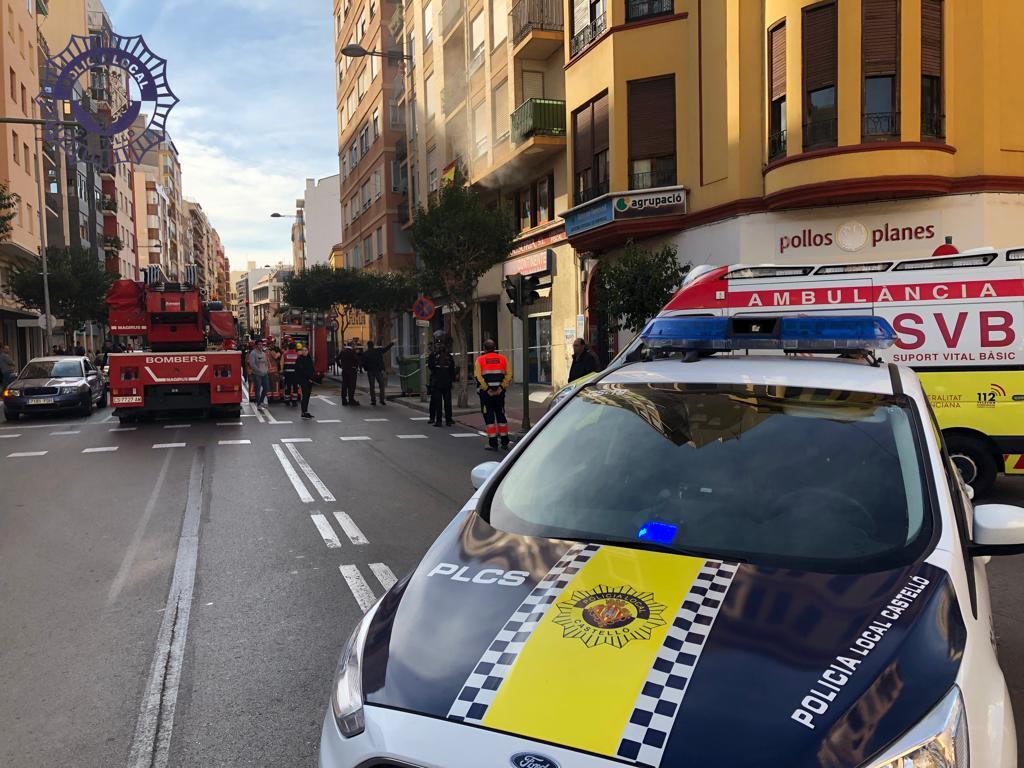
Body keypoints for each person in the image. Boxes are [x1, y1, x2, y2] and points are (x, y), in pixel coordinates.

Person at [474, 339, 512, 451]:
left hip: (486, 395)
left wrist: (487, 389)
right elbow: (509, 375)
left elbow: (478, 377)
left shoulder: (480, 360)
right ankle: (505, 442)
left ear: (484, 349)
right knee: (501, 415)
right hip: (500, 394)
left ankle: (493, 443)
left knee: (489, 418)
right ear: (495, 348)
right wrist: (501, 388)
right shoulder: (503, 359)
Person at [427, 339, 457, 426]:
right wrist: (452, 380)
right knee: (447, 401)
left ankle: (438, 421)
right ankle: (448, 420)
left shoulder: (433, 355)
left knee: (437, 402)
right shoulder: (449, 356)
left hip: (436, 382)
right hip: (447, 382)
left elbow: (431, 367)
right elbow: (452, 369)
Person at [361, 339, 395, 406]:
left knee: (372, 386)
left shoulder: (365, 353)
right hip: (378, 371)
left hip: (370, 371)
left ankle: (373, 401)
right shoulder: (378, 351)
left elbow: (363, 363)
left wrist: (366, 368)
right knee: (381, 385)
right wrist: (392, 343)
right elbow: (386, 349)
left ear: (368, 346)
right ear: (373, 345)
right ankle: (382, 400)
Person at [248, 340, 270, 410]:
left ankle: (261, 401)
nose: (260, 346)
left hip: (264, 374)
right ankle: (258, 404)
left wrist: (266, 369)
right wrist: (258, 370)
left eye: (261, 344)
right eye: (259, 344)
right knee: (257, 389)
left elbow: (266, 362)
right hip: (257, 374)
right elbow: (252, 364)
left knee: (266, 388)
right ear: (256, 345)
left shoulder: (263, 353)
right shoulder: (253, 353)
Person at [295, 344, 316, 419]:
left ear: (308, 351)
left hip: (310, 380)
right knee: (305, 395)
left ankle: (305, 411)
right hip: (303, 380)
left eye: (305, 350)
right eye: (303, 350)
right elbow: (301, 370)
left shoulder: (309, 358)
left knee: (307, 396)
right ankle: (303, 412)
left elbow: (312, 369)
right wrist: (308, 378)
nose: (304, 352)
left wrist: (312, 378)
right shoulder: (299, 359)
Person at [281, 340, 300, 406]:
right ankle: (294, 401)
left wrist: (282, 371)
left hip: (287, 373)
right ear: (294, 348)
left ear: (288, 347)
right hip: (295, 374)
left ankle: (287, 401)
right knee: (295, 387)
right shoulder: (297, 354)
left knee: (287, 386)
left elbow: (282, 363)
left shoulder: (285, 354)